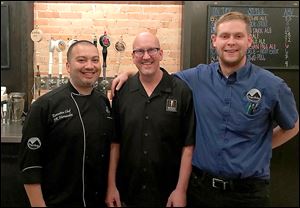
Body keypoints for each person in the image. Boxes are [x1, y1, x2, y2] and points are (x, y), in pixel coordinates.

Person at [110, 12, 299, 207]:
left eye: (238, 36)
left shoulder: (272, 85)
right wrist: (129, 72)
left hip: (249, 194)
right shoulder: (196, 78)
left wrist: (260, 147)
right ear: (214, 41)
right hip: (201, 191)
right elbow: (156, 75)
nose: (231, 42)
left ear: (249, 40)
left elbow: (293, 126)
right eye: (225, 36)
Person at [105, 32, 195, 207]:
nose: (146, 56)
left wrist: (180, 190)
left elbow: (188, 147)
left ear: (160, 53)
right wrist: (111, 186)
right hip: (128, 193)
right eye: (139, 51)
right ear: (133, 56)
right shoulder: (121, 92)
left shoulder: (181, 91)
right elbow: (115, 144)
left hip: (168, 195)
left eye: (151, 50)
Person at [18, 40, 113, 207]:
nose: (89, 66)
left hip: (97, 201)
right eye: (82, 60)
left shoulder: (103, 102)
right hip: (58, 201)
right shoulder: (44, 106)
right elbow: (30, 165)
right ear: (68, 66)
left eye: (95, 60)